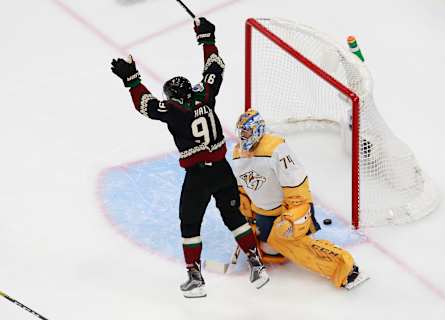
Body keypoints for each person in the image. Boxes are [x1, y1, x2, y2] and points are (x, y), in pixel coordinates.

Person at [110, 17, 269, 298]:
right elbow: (214, 68)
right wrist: (206, 38)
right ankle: (256, 264)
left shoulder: (171, 110)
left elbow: (144, 104)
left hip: (198, 177)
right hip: (222, 170)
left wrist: (131, 80)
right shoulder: (205, 96)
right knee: (233, 215)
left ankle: (195, 277)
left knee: (189, 222)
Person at [232, 109, 368, 290]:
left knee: (298, 248)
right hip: (262, 213)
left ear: (257, 130)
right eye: (240, 133)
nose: (243, 137)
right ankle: (283, 242)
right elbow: (243, 187)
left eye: (246, 132)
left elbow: (296, 183)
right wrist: (246, 210)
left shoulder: (275, 148)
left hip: (285, 212)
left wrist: (294, 215)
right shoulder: (237, 154)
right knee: (271, 253)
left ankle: (346, 268)